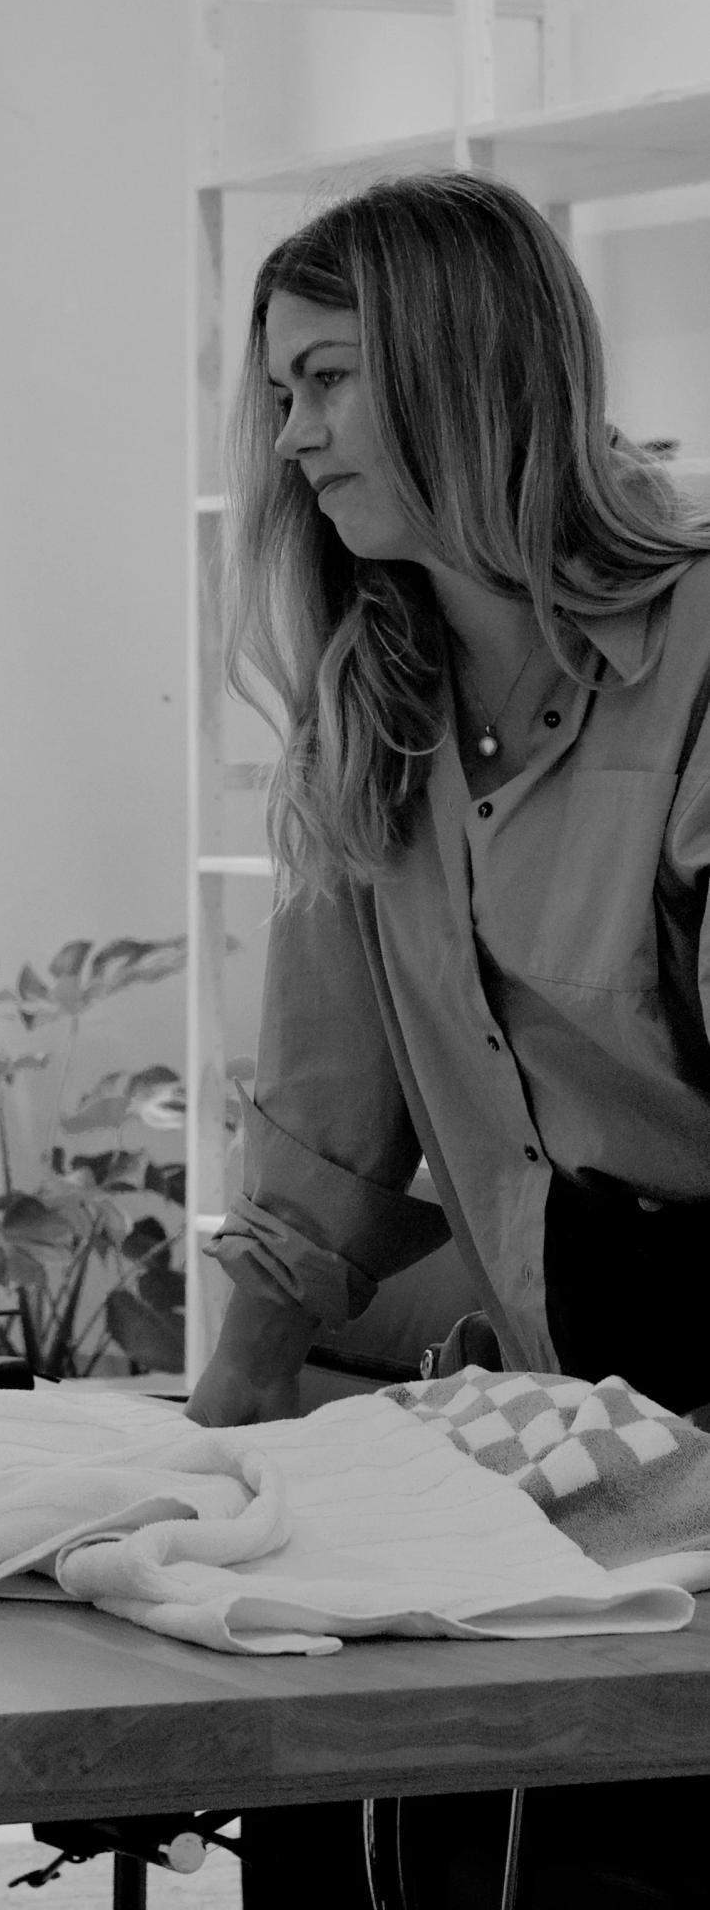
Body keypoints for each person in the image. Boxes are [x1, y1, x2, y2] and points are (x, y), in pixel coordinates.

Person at [184, 170, 710, 1904]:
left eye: (329, 379)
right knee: (353, 1807)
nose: (295, 437)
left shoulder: (700, 660)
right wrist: (228, 1418)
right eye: (279, 392)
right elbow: (326, 1127)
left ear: (461, 372)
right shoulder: (367, 713)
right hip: (564, 1384)